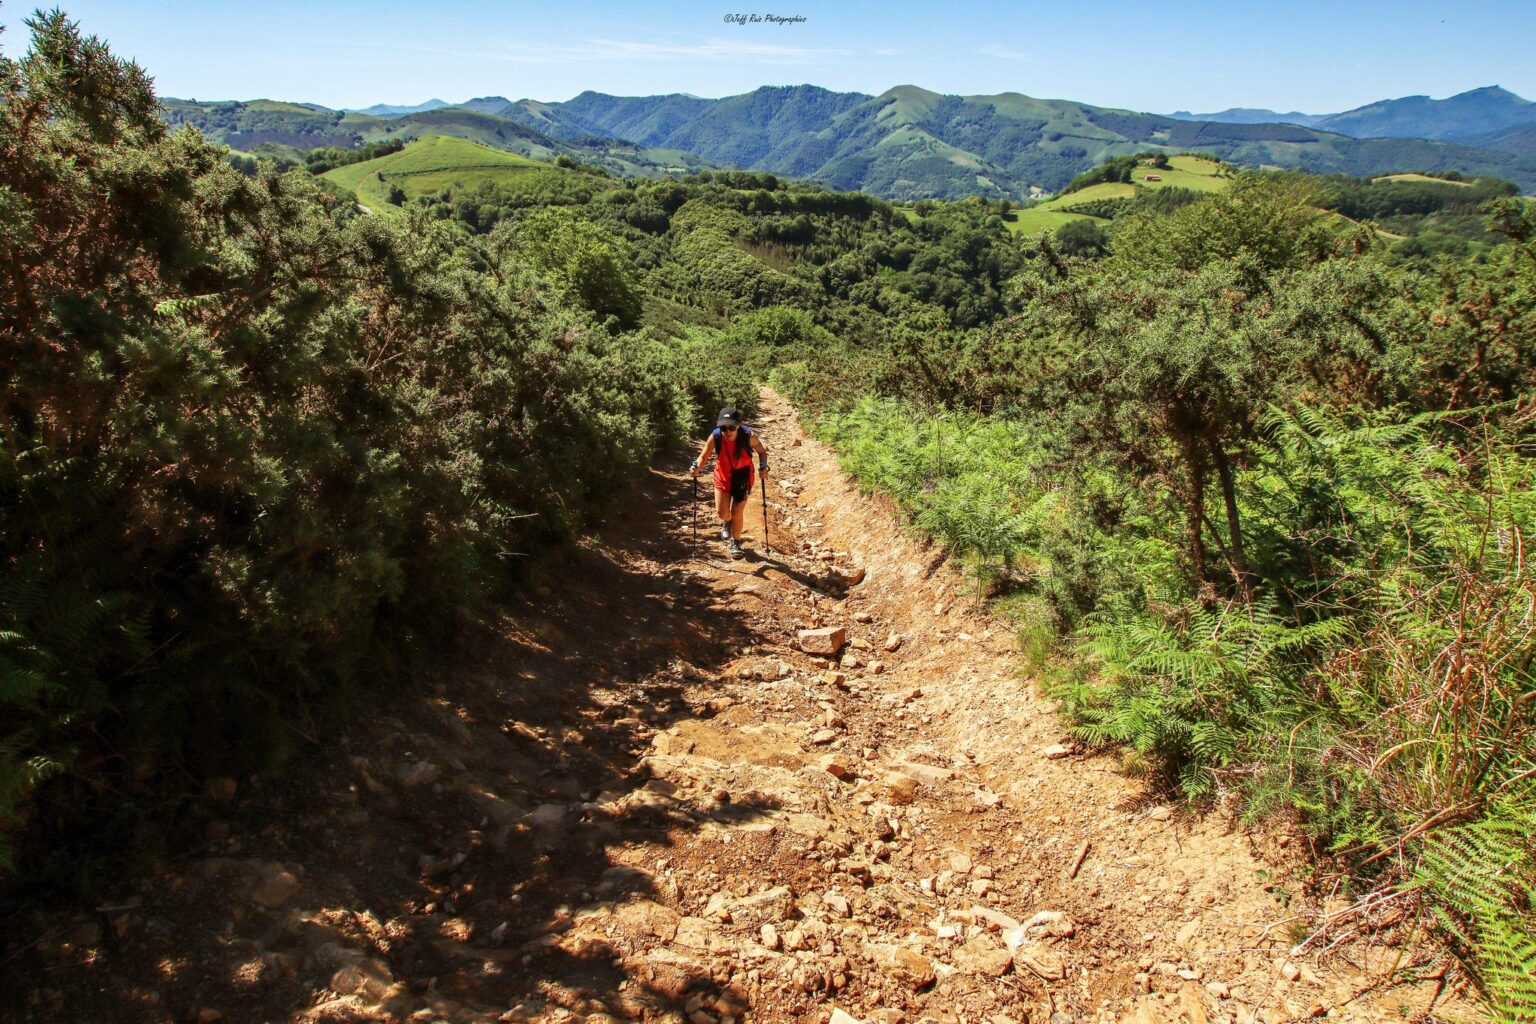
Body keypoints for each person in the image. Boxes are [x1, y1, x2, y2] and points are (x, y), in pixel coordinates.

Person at [690, 406, 768, 559]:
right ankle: (727, 521)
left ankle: (736, 542)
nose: (727, 431)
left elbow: (762, 451)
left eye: (731, 427)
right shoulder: (716, 436)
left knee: (737, 512)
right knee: (722, 513)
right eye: (723, 427)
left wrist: (763, 466)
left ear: (738, 425)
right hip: (723, 476)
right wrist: (696, 466)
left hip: (743, 477)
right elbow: (703, 456)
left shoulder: (749, 436)